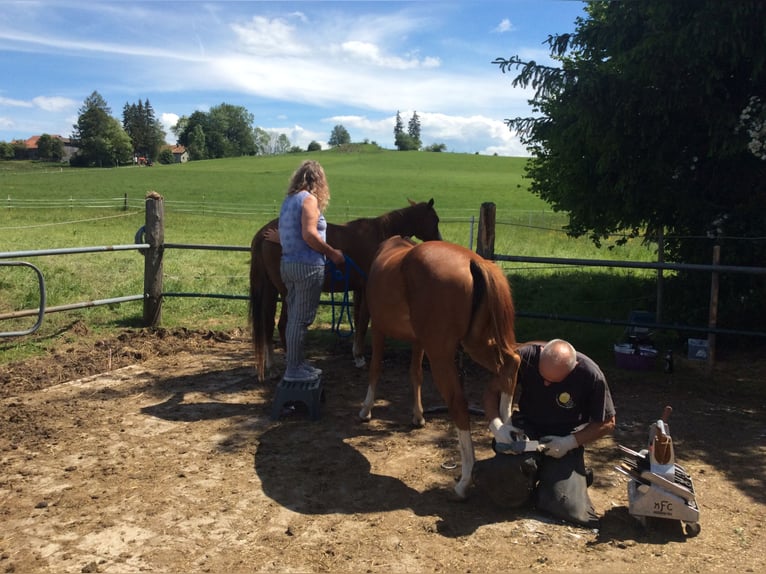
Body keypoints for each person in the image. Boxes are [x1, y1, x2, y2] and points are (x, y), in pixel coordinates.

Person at [477, 339, 616, 528]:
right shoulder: (523, 357)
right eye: (543, 377)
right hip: (527, 427)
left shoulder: (591, 375)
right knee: (502, 489)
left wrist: (570, 442)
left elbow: (607, 422)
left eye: (553, 381)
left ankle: (570, 475)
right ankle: (533, 475)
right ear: (541, 354)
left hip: (564, 435)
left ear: (573, 368)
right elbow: (491, 391)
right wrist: (497, 426)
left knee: (566, 507)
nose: (546, 383)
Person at [275, 160, 344, 382]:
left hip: (288, 265)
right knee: (300, 320)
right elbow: (309, 234)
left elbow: (290, 233)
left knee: (294, 316)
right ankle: (294, 370)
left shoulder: (289, 201)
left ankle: (296, 363)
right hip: (307, 266)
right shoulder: (309, 200)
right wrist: (332, 253)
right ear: (318, 180)